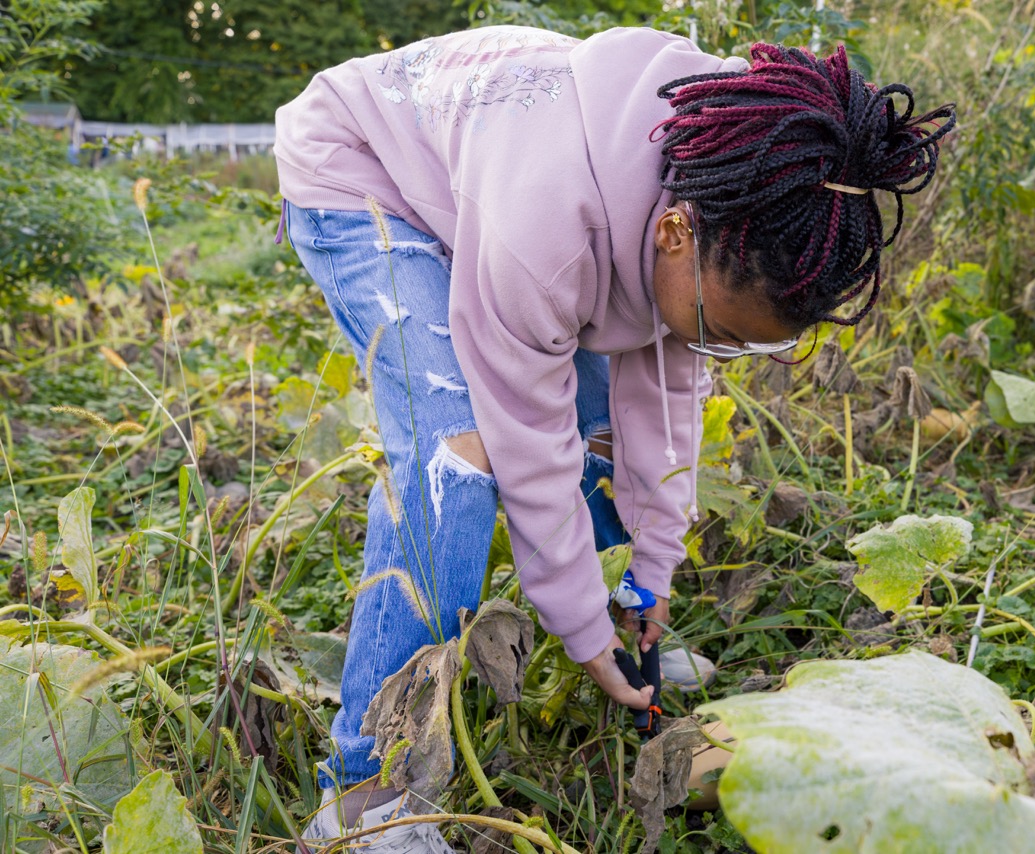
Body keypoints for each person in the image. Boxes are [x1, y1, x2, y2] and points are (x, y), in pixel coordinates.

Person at [274, 24, 954, 852]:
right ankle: (367, 792)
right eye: (719, 333)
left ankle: (625, 629)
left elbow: (665, 396)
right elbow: (528, 437)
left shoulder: (740, 181)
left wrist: (650, 577)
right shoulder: (548, 234)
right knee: (458, 454)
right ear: (672, 236)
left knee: (599, 429)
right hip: (362, 171)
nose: (718, 356)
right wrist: (579, 627)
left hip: (495, 184)